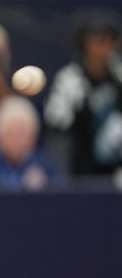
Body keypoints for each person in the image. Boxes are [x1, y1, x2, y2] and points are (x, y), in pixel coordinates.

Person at [44, 11, 122, 174]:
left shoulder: (119, 75)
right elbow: (55, 121)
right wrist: (72, 104)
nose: (104, 49)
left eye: (110, 41)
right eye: (99, 42)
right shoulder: (69, 80)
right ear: (84, 45)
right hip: (82, 171)